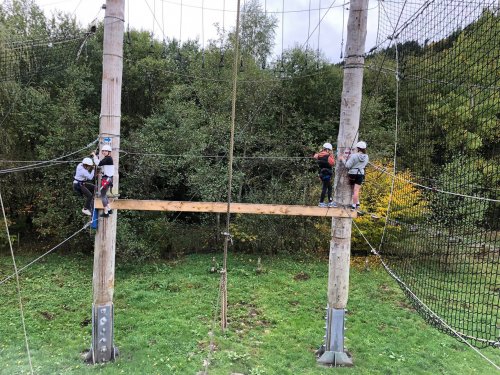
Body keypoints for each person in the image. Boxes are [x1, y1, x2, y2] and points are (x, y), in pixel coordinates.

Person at [341, 141, 369, 209]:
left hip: (352, 174)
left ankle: (354, 205)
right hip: (360, 174)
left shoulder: (354, 156)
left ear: (358, 148)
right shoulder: (366, 156)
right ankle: (357, 203)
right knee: (356, 190)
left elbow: (347, 165)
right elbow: (365, 165)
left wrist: (342, 159)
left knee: (354, 190)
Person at [92, 145, 114, 218]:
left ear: (109, 152)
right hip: (108, 178)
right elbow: (101, 163)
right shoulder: (107, 158)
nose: (104, 152)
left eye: (105, 151)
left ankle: (106, 212)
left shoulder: (108, 159)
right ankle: (109, 209)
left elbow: (98, 164)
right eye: (103, 151)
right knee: (104, 194)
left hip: (107, 179)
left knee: (103, 195)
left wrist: (94, 155)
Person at [314, 142, 335, 207]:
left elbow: (315, 156)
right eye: (330, 150)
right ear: (328, 149)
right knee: (326, 188)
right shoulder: (328, 156)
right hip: (327, 174)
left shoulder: (319, 155)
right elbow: (333, 163)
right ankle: (322, 202)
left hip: (322, 174)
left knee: (328, 187)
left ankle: (328, 202)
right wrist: (331, 156)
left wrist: (320, 153)